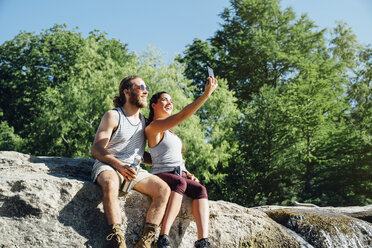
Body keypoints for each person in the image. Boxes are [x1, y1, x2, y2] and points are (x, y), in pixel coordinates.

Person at [91, 75, 171, 248]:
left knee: (163, 189)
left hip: (134, 170)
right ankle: (118, 239)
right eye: (141, 87)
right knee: (110, 183)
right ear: (127, 92)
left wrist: (182, 170)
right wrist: (119, 165)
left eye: (146, 87)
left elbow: (151, 154)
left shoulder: (145, 122)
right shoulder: (113, 115)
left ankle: (145, 242)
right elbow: (97, 149)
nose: (146, 91)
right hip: (109, 165)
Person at [145, 76, 218, 248]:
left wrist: (187, 172)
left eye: (171, 101)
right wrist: (206, 95)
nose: (169, 103)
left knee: (200, 189)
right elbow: (184, 114)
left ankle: (203, 241)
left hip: (179, 175)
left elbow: (171, 157)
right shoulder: (153, 128)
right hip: (163, 176)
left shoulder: (171, 133)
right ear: (153, 105)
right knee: (179, 183)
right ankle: (163, 236)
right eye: (164, 100)